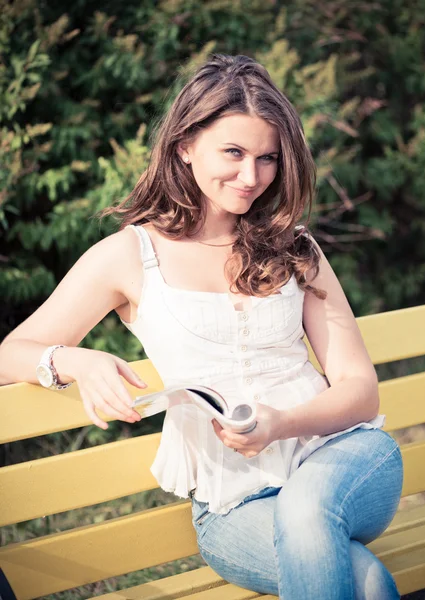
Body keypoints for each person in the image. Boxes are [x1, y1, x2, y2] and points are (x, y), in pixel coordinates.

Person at [0, 54, 403, 599]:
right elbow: (9, 354)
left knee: (308, 510)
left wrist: (280, 423)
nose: (251, 176)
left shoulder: (295, 247)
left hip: (344, 460)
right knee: (369, 583)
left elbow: (359, 390)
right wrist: (74, 359)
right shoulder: (128, 256)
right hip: (234, 506)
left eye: (267, 158)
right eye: (233, 152)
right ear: (185, 145)